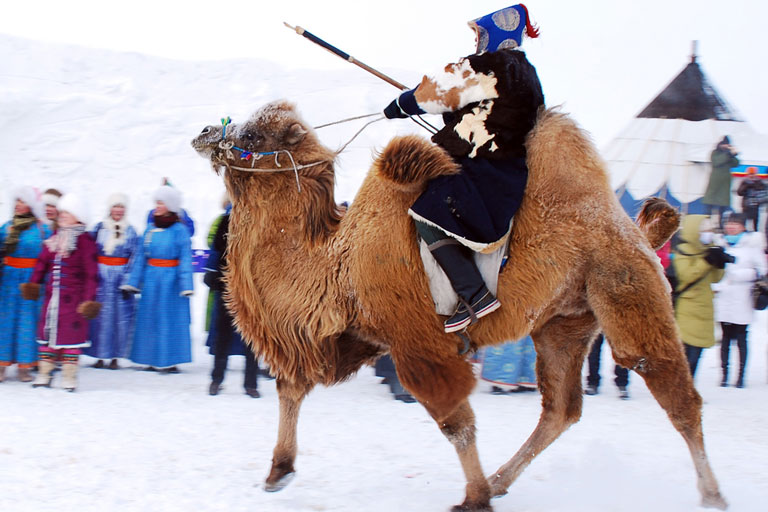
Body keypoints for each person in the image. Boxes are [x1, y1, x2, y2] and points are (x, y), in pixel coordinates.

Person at [382, 4, 544, 333]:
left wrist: (401, 105)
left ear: (495, 35)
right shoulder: (528, 74)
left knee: (426, 212)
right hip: (511, 176)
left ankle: (473, 293)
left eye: (480, 35)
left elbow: (437, 93)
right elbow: (489, 113)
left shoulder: (485, 66)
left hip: (480, 171)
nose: (476, 43)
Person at [21, 194, 100, 391]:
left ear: (78, 216)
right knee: (47, 335)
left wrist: (89, 300)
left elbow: (92, 273)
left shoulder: (85, 241)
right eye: (61, 212)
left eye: (67, 212)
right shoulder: (55, 238)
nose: (62, 216)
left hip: (74, 301)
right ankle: (44, 374)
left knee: (70, 338)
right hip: (52, 299)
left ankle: (69, 377)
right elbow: (42, 262)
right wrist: (34, 283)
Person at [122, 185, 193, 373]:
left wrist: (186, 284)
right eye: (156, 203)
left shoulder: (180, 230)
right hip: (152, 279)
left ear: (170, 205)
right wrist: (133, 281)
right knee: (150, 319)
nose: (157, 206)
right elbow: (140, 258)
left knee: (169, 320)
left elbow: (185, 258)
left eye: (161, 203)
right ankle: (149, 358)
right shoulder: (150, 229)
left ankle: (170, 360)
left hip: (171, 282)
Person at [204, 206, 261, 397]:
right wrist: (211, 271)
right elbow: (215, 251)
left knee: (252, 338)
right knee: (222, 336)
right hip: (227, 286)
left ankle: (251, 384)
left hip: (252, 289)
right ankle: (216, 379)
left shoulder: (259, 223)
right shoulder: (224, 222)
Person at [0, 187, 51, 382]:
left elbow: (48, 257)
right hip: (8, 280)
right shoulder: (6, 227)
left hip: (32, 280)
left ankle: (25, 366)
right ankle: (2, 365)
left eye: (24, 201)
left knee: (28, 322)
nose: (19, 205)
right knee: (5, 322)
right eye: (17, 201)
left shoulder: (42, 229)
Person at [84, 193, 138, 369]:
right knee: (100, 317)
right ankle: (99, 355)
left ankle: (115, 356)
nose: (118, 210)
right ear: (110, 208)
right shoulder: (99, 228)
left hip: (120, 278)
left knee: (118, 318)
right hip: (101, 276)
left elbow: (135, 257)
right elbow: (89, 249)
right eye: (115, 206)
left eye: (121, 207)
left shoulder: (130, 230)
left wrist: (129, 280)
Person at [711, 213, 766, 388]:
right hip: (724, 298)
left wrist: (739, 275)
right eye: (729, 224)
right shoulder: (719, 243)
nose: (731, 227)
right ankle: (724, 374)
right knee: (725, 338)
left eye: (735, 224)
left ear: (743, 226)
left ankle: (741, 375)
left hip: (743, 298)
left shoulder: (751, 246)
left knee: (741, 338)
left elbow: (761, 270)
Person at [671, 215, 728, 377]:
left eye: (710, 230)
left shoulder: (707, 249)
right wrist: (707, 261)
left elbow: (716, 278)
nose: (707, 233)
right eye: (704, 230)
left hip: (704, 308)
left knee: (696, 354)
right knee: (687, 354)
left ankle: (688, 390)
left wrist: (720, 263)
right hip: (688, 309)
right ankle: (682, 392)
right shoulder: (683, 251)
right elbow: (687, 276)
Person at [702, 136, 740, 228]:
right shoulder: (715, 153)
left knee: (722, 210)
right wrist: (728, 154)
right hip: (715, 185)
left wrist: (733, 154)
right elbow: (717, 162)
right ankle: (706, 225)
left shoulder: (728, 155)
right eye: (724, 144)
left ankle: (721, 227)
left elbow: (736, 163)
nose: (726, 146)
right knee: (709, 208)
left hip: (724, 186)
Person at [584, 334, 629, 399]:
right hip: (598, 325)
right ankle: (592, 383)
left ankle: (622, 384)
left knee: (621, 350)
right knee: (593, 351)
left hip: (616, 325)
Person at [736, 168, 766, 232]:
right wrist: (746, 186)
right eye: (750, 174)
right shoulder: (744, 181)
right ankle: (743, 232)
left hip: (755, 205)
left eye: (753, 174)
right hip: (746, 205)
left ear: (755, 174)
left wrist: (755, 186)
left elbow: (763, 192)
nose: (751, 176)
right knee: (744, 220)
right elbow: (739, 193)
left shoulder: (760, 182)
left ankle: (755, 232)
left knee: (755, 221)